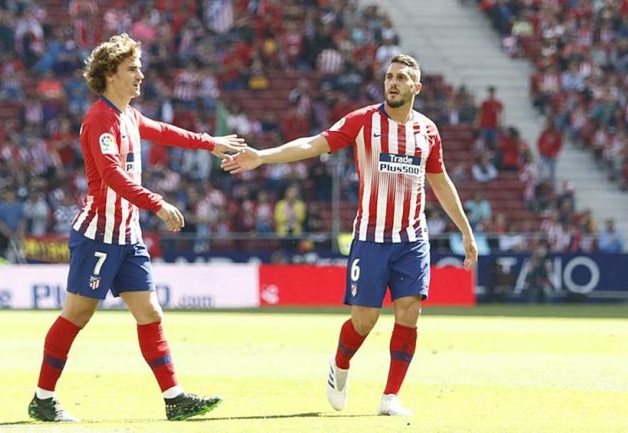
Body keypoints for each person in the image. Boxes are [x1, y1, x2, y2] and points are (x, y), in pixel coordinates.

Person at [223, 54, 477, 416]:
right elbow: (314, 144)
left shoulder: (428, 131)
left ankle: (390, 397)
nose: (393, 82)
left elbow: (440, 180)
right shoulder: (363, 122)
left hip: (412, 238)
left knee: (409, 311)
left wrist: (465, 230)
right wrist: (262, 156)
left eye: (402, 78)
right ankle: (340, 364)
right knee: (365, 320)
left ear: (416, 87)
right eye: (389, 76)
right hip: (371, 238)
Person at [28, 34, 246, 423]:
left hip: (128, 237)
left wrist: (209, 142)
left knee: (150, 313)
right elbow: (111, 176)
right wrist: (157, 203)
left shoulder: (128, 115)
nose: (141, 75)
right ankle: (43, 400)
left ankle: (174, 398)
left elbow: (165, 132)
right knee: (77, 314)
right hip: (98, 235)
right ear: (111, 74)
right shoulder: (100, 118)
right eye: (133, 69)